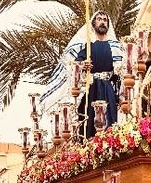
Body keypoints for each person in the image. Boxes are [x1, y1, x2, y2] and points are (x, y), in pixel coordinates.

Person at [40, 10, 123, 139]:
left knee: (110, 120)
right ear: (93, 23)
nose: (102, 22)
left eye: (105, 19)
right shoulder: (86, 45)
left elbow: (122, 68)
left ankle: (110, 145)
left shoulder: (115, 47)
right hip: (91, 89)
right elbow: (73, 65)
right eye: (99, 19)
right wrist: (82, 66)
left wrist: (119, 70)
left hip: (108, 89)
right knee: (89, 122)